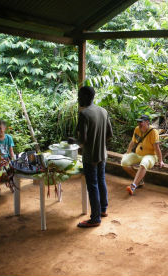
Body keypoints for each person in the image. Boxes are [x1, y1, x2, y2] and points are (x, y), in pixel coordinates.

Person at [76, 86, 113, 228]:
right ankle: (103, 209)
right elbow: (110, 134)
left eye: (79, 96)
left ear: (86, 96)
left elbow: (83, 140)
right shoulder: (103, 111)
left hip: (90, 156)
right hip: (102, 154)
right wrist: (99, 141)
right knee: (101, 180)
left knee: (92, 186)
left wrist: (74, 142)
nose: (78, 99)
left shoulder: (84, 114)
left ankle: (95, 218)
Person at [122, 114, 164, 195]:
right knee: (124, 162)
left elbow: (157, 148)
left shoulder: (153, 132)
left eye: (142, 122)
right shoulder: (137, 129)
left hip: (151, 155)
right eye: (139, 122)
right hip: (138, 154)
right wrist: (128, 152)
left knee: (144, 163)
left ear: (147, 122)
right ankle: (139, 181)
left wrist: (160, 160)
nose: (139, 123)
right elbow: (133, 141)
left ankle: (133, 186)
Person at [0, 120, 15, 197]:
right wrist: (4, 161)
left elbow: (11, 151)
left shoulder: (9, 138)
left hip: (6, 158)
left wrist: (13, 160)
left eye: (0, 128)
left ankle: (12, 183)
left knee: (13, 167)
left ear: (4, 128)